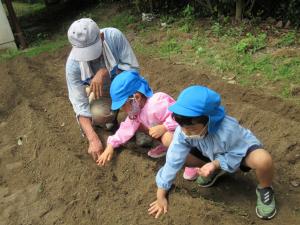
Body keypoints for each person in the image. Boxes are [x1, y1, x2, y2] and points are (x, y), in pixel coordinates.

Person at [148, 86, 276, 220]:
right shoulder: (184, 131)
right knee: (173, 145)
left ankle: (265, 188)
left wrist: (215, 164)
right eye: (183, 128)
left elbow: (236, 153)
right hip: (210, 153)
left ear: (210, 120)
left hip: (239, 152)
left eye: (192, 129)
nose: (186, 133)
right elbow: (173, 159)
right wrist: (161, 194)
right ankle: (215, 170)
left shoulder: (228, 130)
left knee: (263, 160)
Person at [65, 18, 139, 161]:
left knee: (137, 93)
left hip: (126, 88)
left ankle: (139, 122)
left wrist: (104, 71)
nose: (90, 58)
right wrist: (92, 138)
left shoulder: (114, 37)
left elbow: (133, 70)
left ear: (101, 37)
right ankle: (112, 117)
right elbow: (79, 104)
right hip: (105, 94)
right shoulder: (73, 66)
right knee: (98, 115)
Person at [96, 70, 178, 166]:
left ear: (137, 97)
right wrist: (111, 145)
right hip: (170, 133)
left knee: (167, 138)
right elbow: (126, 128)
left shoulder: (156, 103)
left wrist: (165, 127)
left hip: (186, 132)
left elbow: (180, 116)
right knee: (161, 135)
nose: (122, 109)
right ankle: (168, 147)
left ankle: (189, 159)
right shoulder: (137, 112)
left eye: (123, 105)